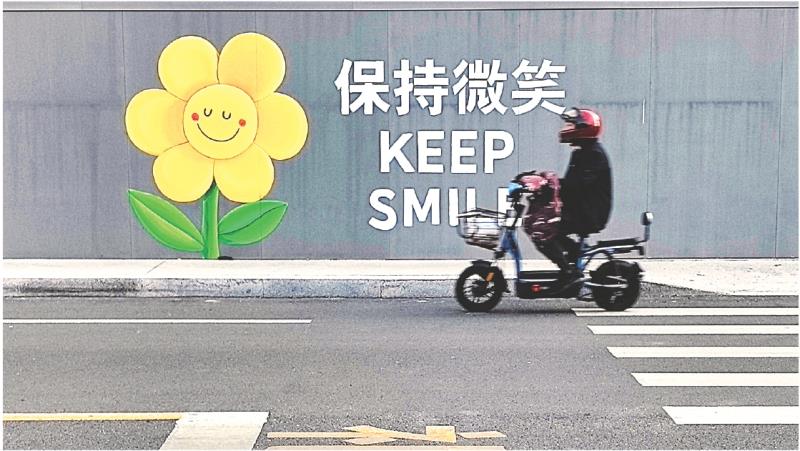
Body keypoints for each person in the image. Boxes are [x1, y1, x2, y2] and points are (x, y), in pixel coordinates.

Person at [536, 108, 613, 283]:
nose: (567, 128)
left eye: (572, 125)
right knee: (545, 227)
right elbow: (571, 185)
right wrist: (545, 183)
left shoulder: (593, 155)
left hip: (588, 214)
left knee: (542, 230)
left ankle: (569, 272)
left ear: (584, 128)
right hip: (580, 209)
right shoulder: (582, 152)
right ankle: (574, 252)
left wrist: (549, 185)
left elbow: (575, 185)